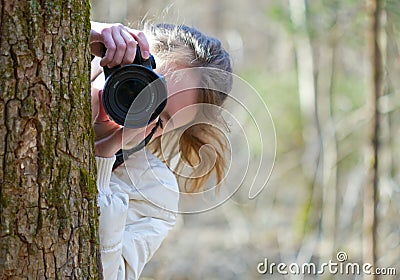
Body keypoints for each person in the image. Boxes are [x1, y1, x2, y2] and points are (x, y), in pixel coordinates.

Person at [90, 21, 232, 279]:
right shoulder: (63, 62)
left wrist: (102, 157)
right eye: (138, 85)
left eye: (159, 116)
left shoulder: (153, 192)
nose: (135, 110)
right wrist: (85, 34)